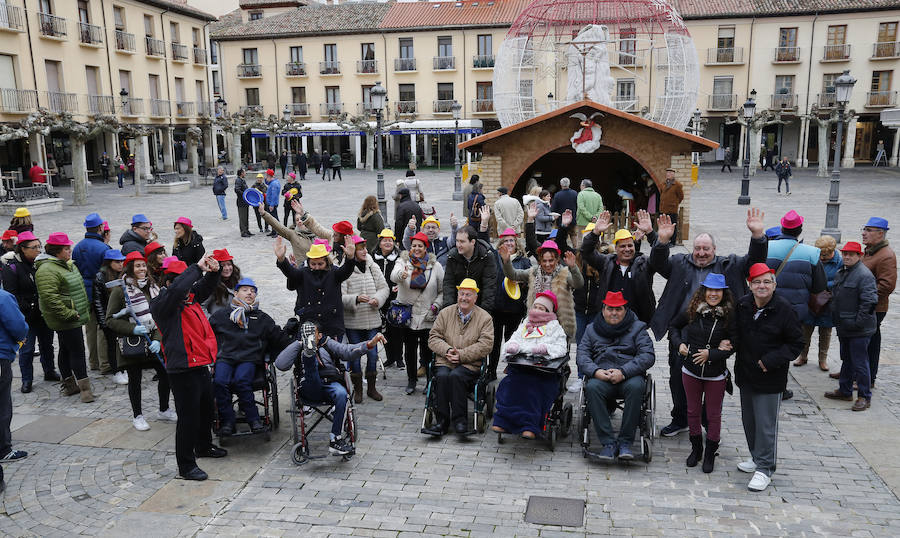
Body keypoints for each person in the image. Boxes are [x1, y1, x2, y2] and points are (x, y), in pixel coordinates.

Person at [650, 208, 767, 437]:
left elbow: (755, 261)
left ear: (715, 250)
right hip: (684, 330)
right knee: (678, 375)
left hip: (718, 331)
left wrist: (758, 237)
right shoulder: (679, 263)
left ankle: (706, 420)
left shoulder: (729, 265)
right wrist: (662, 241)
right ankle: (681, 417)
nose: (701, 253)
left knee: (713, 378)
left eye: (706, 249)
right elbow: (657, 263)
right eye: (698, 249)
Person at [149, 256, 226, 482]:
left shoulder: (189, 297)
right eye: (179, 282)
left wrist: (213, 271)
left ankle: (203, 446)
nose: (188, 288)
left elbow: (207, 285)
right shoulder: (163, 303)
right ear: (168, 283)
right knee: (188, 418)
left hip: (199, 363)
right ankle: (186, 465)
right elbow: (178, 289)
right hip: (181, 369)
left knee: (205, 410)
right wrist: (196, 267)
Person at [733, 263, 803, 492]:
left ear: (774, 284)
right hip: (746, 373)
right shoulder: (743, 304)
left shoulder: (784, 309)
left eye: (766, 282)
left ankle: (765, 468)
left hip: (769, 377)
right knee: (749, 422)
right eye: (757, 282)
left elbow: (796, 344)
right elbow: (736, 333)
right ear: (749, 285)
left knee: (765, 425)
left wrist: (771, 360)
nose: (761, 286)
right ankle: (755, 457)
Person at [275, 322, 385, 455]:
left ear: (319, 335)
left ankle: (335, 439)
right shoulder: (298, 347)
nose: (308, 336)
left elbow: (348, 351)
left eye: (311, 334)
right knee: (310, 365)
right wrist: (299, 344)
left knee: (341, 393)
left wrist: (370, 344)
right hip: (309, 386)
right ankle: (309, 354)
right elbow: (281, 364)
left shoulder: (327, 343)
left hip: (329, 382)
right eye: (305, 334)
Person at [667, 273, 735, 473]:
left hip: (715, 374)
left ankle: (710, 453)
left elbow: (736, 342)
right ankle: (696, 449)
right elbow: (673, 327)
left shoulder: (730, 315)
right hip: (691, 371)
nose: (713, 294)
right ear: (704, 291)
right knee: (692, 411)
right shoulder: (692, 310)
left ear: (723, 293)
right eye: (710, 290)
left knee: (713, 415)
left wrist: (712, 354)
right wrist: (679, 344)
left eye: (717, 291)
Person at [577, 291, 656, 462]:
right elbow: (582, 356)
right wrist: (596, 371)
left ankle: (626, 442)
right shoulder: (591, 329)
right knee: (592, 387)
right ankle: (608, 443)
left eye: (618, 309)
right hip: (602, 375)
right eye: (610, 309)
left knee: (637, 387)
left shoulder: (638, 328)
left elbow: (648, 355)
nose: (614, 313)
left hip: (629, 375)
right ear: (603, 310)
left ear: (625, 310)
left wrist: (624, 372)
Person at [209, 278, 290, 435]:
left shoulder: (261, 318)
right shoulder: (222, 316)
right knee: (219, 381)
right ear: (236, 293)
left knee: (242, 381)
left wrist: (292, 333)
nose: (249, 293)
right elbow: (206, 334)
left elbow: (279, 338)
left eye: (253, 291)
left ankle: (253, 419)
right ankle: (227, 420)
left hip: (249, 358)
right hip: (226, 356)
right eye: (245, 290)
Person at [105, 251, 175, 431]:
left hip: (153, 339)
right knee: (135, 380)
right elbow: (110, 320)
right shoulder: (120, 291)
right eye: (137, 266)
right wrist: (132, 329)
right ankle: (138, 415)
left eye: (143, 265)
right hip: (133, 343)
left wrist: (158, 339)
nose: (142, 268)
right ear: (130, 268)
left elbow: (161, 315)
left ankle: (164, 409)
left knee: (165, 374)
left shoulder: (153, 287)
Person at [765, 209, 826, 400]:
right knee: (786, 346)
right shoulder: (812, 253)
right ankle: (780, 387)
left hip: (769, 305)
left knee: (767, 343)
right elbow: (820, 286)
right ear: (800, 230)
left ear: (782, 227)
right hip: (796, 310)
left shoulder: (767, 248)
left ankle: (764, 379)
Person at [492, 291, 568, 438]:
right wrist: (512, 345)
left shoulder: (555, 327)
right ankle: (503, 421)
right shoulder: (525, 324)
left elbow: (561, 348)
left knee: (533, 389)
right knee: (509, 385)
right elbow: (514, 339)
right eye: (536, 307)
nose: (537, 310)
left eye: (541, 308)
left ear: (548, 311)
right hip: (522, 367)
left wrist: (546, 349)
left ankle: (529, 425)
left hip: (543, 372)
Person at [424, 278, 494, 437]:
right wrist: (448, 350)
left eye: (468, 295)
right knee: (441, 376)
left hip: (470, 364)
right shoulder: (445, 313)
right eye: (461, 294)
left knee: (456, 376)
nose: (464, 298)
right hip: (445, 360)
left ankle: (460, 421)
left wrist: (462, 355)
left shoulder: (485, 318)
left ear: (475, 297)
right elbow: (433, 337)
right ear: (457, 295)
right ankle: (442, 422)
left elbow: (486, 345)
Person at [35, 232, 95, 402]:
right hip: (67, 318)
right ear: (56, 251)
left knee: (65, 348)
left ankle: (69, 385)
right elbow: (50, 298)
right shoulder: (47, 269)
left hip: (73, 315)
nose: (70, 250)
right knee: (77, 351)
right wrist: (69, 314)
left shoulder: (67, 264)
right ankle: (85, 391)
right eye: (66, 248)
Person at [1, 232, 60, 393]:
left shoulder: (39, 263)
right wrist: (30, 306)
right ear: (23, 249)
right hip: (26, 316)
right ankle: (27, 379)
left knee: (47, 344)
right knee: (27, 350)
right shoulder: (11, 267)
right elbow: (11, 295)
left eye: (39, 246)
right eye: (34, 247)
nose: (38, 250)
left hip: (43, 313)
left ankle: (49, 370)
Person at [824, 242, 878, 411]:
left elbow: (869, 304)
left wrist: (857, 324)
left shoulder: (864, 275)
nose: (847, 256)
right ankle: (845, 390)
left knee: (860, 363)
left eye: (851, 254)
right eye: (845, 253)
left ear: (859, 256)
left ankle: (864, 396)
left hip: (858, 329)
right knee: (847, 359)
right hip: (844, 326)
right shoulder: (843, 272)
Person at [392, 232, 445, 394]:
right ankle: (411, 380)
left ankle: (430, 381)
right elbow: (393, 276)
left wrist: (436, 306)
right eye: (414, 245)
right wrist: (401, 275)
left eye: (420, 246)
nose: (416, 248)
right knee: (409, 350)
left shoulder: (435, 266)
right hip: (408, 315)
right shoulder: (403, 262)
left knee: (428, 351)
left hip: (428, 315)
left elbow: (442, 291)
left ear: (425, 248)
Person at [581, 210, 656, 323]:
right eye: (622, 246)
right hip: (609, 322)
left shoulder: (644, 264)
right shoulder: (606, 262)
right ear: (615, 248)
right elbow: (586, 252)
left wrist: (651, 233)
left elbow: (660, 258)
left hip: (637, 323)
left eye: (630, 245)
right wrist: (595, 233)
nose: (627, 249)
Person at [501, 239, 583, 341]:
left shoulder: (564, 273)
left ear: (557, 260)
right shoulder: (533, 272)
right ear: (540, 260)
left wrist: (573, 267)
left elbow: (578, 284)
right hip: (536, 323)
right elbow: (513, 275)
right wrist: (506, 261)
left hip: (560, 324)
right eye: (544, 261)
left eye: (551, 260)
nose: (547, 264)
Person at [276, 238, 356, 339]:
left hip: (332, 327)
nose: (317, 267)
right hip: (309, 326)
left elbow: (346, 270)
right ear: (308, 262)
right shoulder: (303, 273)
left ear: (326, 261)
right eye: (313, 264)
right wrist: (282, 260)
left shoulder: (334, 272)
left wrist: (350, 257)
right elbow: (291, 273)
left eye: (320, 264)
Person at [341, 236, 389, 403]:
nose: (365, 251)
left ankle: (372, 388)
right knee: (354, 355)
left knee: (373, 354)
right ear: (353, 250)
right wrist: (355, 299)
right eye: (360, 248)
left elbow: (384, 288)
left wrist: (377, 299)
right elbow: (340, 296)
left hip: (372, 321)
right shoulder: (345, 269)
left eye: (365, 248)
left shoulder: (371, 266)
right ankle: (358, 389)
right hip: (353, 322)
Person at [487, 228, 531, 381]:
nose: (509, 243)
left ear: (516, 243)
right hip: (497, 307)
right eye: (506, 240)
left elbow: (530, 282)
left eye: (511, 240)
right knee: (494, 342)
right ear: (501, 243)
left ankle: (511, 370)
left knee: (512, 342)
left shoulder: (524, 261)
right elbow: (485, 244)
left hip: (515, 309)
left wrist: (523, 283)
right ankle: (491, 370)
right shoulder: (495, 258)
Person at [72, 212, 111, 373]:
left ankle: (93, 361)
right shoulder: (104, 248)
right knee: (103, 327)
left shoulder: (78, 247)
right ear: (101, 228)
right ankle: (105, 362)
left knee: (90, 328)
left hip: (83, 292)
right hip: (100, 292)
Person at [860, 217, 896, 388]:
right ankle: (852, 370)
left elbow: (886, 285)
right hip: (865, 306)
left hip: (874, 308)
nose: (864, 233)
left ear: (880, 234)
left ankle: (868, 378)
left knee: (869, 344)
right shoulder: (871, 250)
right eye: (864, 229)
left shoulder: (886, 255)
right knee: (859, 341)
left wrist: (863, 297)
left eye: (868, 230)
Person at [797, 236, 841, 370]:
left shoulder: (839, 261)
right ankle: (803, 356)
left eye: (826, 255)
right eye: (821, 254)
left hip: (828, 301)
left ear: (832, 251)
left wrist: (823, 284)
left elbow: (840, 279)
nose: (822, 258)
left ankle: (822, 359)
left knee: (825, 333)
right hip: (811, 299)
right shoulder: (813, 256)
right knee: (805, 330)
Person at [0, 284, 29, 462]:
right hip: (1, 355)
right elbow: (18, 326)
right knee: (2, 403)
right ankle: (3, 448)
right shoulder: (3, 297)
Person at [442, 225, 497, 311]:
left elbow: (489, 288)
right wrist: (448, 310)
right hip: (458, 305)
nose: (458, 245)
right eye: (457, 241)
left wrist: (484, 313)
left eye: (462, 242)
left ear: (472, 242)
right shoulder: (452, 256)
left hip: (479, 305)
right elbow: (448, 284)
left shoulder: (486, 256)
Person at [93, 249, 127, 384]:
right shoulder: (100, 277)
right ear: (109, 263)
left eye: (121, 261)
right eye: (117, 262)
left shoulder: (123, 275)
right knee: (112, 346)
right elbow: (98, 302)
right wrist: (103, 322)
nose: (120, 264)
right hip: (110, 317)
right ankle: (116, 370)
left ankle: (125, 368)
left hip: (123, 316)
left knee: (124, 344)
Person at [262, 199, 331, 265]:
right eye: (297, 220)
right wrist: (263, 213)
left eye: (302, 219)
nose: (300, 221)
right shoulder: (293, 235)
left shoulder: (318, 233)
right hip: (302, 271)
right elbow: (278, 226)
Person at [371, 229, 403, 370]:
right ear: (380, 243)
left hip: (395, 298)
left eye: (390, 240)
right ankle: (390, 357)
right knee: (384, 330)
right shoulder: (372, 257)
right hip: (379, 297)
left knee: (397, 329)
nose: (387, 243)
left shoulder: (399, 257)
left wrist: (400, 285)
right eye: (384, 240)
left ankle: (399, 358)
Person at [204, 249, 241, 315]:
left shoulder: (239, 279)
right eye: (223, 265)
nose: (227, 268)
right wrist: (211, 321)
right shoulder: (209, 284)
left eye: (229, 264)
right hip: (218, 321)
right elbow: (202, 306)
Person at [658, 169, 684, 244]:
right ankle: (664, 240)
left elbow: (681, 197)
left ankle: (672, 242)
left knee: (672, 226)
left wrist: (674, 204)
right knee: (663, 224)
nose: (668, 174)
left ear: (673, 174)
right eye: (667, 173)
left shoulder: (677, 185)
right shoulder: (663, 184)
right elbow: (661, 193)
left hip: (672, 209)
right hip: (663, 208)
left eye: (670, 173)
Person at [551, 177, 579, 247]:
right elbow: (578, 206)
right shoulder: (575, 193)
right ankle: (575, 249)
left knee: (561, 236)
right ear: (569, 184)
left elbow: (553, 209)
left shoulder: (557, 195)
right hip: (572, 219)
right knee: (573, 235)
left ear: (561, 184)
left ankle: (561, 249)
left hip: (561, 221)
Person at [233, 169, 252, 238]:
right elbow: (237, 190)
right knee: (242, 218)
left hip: (245, 202)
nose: (245, 173)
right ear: (241, 173)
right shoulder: (238, 180)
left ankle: (247, 230)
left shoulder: (242, 180)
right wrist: (244, 194)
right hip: (241, 202)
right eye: (244, 172)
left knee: (246, 217)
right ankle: (243, 232)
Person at [264, 169, 281, 237]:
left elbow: (274, 195)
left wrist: (271, 205)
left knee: (275, 218)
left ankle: (278, 231)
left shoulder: (274, 184)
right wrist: (266, 179)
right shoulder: (272, 182)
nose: (265, 177)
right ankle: (274, 231)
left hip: (272, 204)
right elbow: (267, 182)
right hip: (270, 203)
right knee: (272, 218)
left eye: (266, 176)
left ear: (269, 176)